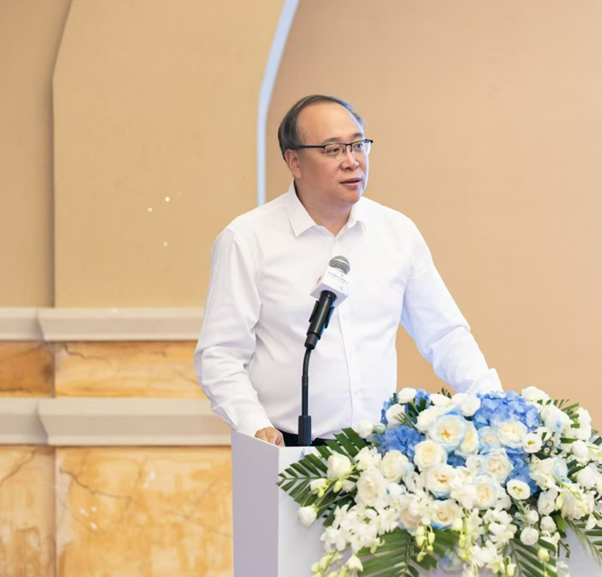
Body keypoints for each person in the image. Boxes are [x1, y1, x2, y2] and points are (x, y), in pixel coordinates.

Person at [194, 95, 501, 447]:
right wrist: (254, 424)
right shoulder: (247, 239)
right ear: (294, 161)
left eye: (358, 145)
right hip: (284, 449)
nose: (352, 161)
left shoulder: (396, 233)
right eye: (333, 150)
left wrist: (496, 405)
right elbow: (220, 354)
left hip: (380, 453)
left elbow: (445, 335)